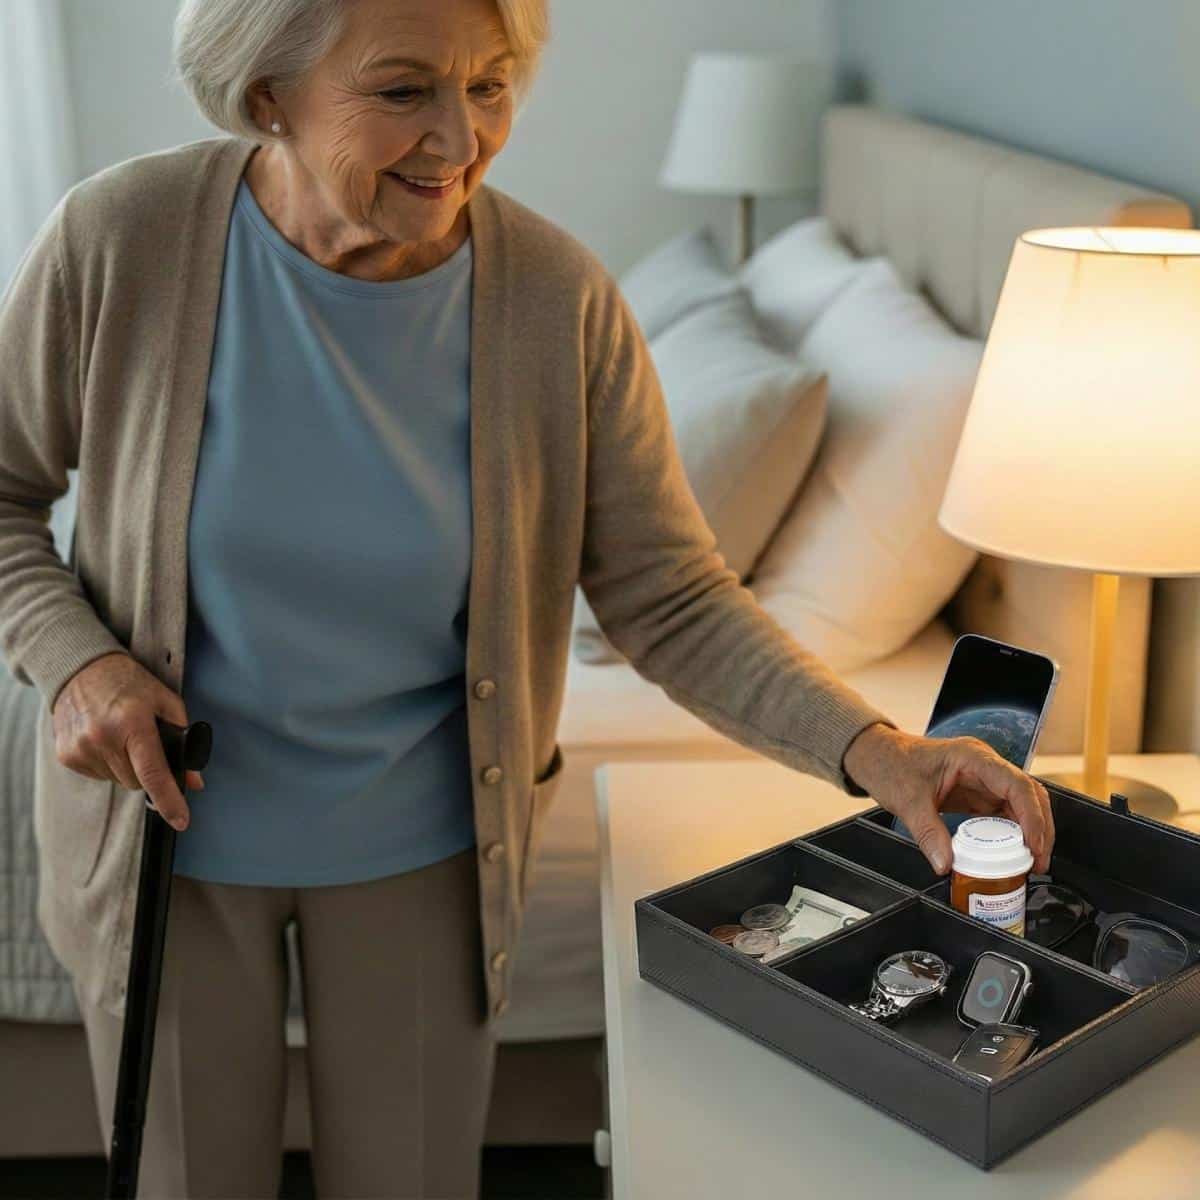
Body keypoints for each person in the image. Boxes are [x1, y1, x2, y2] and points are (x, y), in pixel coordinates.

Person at [0, 0, 1054, 1195]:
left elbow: (670, 595)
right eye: (402, 92)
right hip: (167, 848)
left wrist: (879, 750)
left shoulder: (557, 300)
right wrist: (72, 659)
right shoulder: (120, 240)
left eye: (490, 85)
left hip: (425, 851)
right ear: (267, 96)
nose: (460, 138)